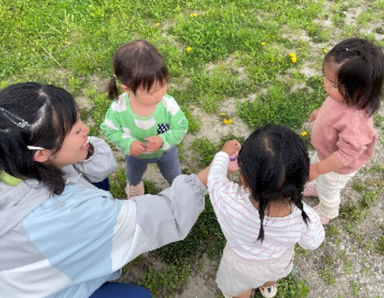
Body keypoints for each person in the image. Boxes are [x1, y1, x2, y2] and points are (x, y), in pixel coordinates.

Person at [0, 82, 208, 298]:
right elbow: (160, 216)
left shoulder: (15, 158)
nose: (86, 129)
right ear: (41, 154)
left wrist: (85, 149)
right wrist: (208, 175)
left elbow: (100, 167)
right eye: (75, 129)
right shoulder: (72, 213)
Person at [207, 125, 325, 298]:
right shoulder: (304, 217)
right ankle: (267, 285)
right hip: (275, 262)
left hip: (240, 265)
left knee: (240, 287)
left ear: (244, 180)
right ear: (303, 180)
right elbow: (313, 242)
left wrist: (223, 154)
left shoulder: (227, 199)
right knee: (270, 275)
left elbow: (214, 178)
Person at [303, 38, 384, 224]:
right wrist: (320, 113)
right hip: (325, 152)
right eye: (325, 77)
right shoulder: (341, 97)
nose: (326, 85)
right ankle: (317, 187)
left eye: (332, 84)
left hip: (338, 167)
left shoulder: (355, 122)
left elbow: (345, 155)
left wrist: (318, 169)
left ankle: (327, 212)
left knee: (329, 189)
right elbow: (332, 108)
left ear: (360, 92)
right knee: (320, 176)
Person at [100, 40, 188, 199]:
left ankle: (177, 187)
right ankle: (134, 185)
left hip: (165, 151)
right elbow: (109, 129)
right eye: (152, 91)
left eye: (163, 85)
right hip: (135, 155)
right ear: (127, 89)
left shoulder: (168, 105)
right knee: (133, 173)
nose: (161, 93)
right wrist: (128, 143)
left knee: (173, 172)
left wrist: (163, 140)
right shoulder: (119, 108)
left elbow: (181, 126)